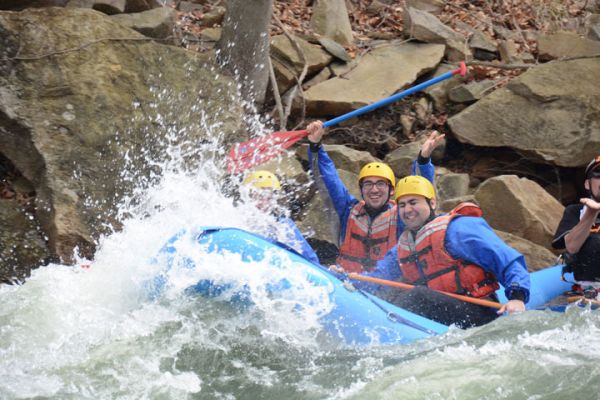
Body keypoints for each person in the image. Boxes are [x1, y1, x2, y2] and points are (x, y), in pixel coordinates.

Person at [356, 175, 530, 328]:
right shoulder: (404, 246)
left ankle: (386, 329)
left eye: (413, 202)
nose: (407, 210)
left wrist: (517, 296)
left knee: (417, 296)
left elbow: (505, 259)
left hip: (479, 311)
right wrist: (345, 279)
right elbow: (380, 277)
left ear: (432, 203)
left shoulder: (458, 229)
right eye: (402, 205)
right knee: (393, 296)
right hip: (439, 312)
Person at [305, 120, 443, 273]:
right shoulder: (348, 209)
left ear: (391, 191)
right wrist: (315, 146)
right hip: (345, 279)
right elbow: (329, 179)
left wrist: (423, 160)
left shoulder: (401, 215)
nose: (374, 189)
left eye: (381, 184)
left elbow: (418, 189)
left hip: (381, 286)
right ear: (361, 190)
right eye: (368, 184)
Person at [241, 170, 320, 264]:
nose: (264, 203)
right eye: (259, 197)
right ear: (248, 197)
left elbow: (310, 260)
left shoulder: (283, 225)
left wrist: (331, 272)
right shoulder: (237, 219)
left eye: (269, 198)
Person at [552, 155, 600, 284]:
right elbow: (572, 247)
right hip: (589, 291)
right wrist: (591, 214)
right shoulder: (574, 211)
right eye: (598, 174)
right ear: (587, 184)